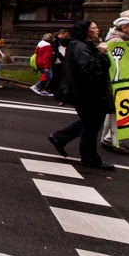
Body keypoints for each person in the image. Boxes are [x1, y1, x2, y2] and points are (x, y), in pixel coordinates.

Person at [49, 20, 115, 170]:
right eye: (94, 28)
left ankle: (60, 137)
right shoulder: (80, 47)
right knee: (92, 124)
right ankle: (90, 158)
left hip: (85, 92)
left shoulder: (82, 45)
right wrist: (101, 53)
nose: (98, 30)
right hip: (86, 93)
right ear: (85, 31)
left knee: (90, 122)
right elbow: (89, 68)